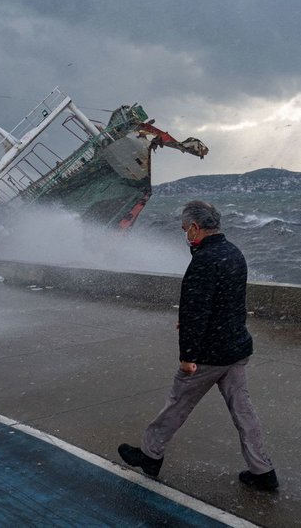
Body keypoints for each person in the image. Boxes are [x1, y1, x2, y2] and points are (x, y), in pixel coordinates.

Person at [118, 200, 278, 491]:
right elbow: (229, 302)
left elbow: (195, 311)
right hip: (236, 347)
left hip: (209, 353)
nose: (184, 235)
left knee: (177, 404)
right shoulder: (233, 253)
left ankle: (150, 456)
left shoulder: (204, 261)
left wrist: (188, 356)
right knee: (244, 412)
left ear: (195, 227)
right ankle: (263, 470)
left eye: (184, 229)